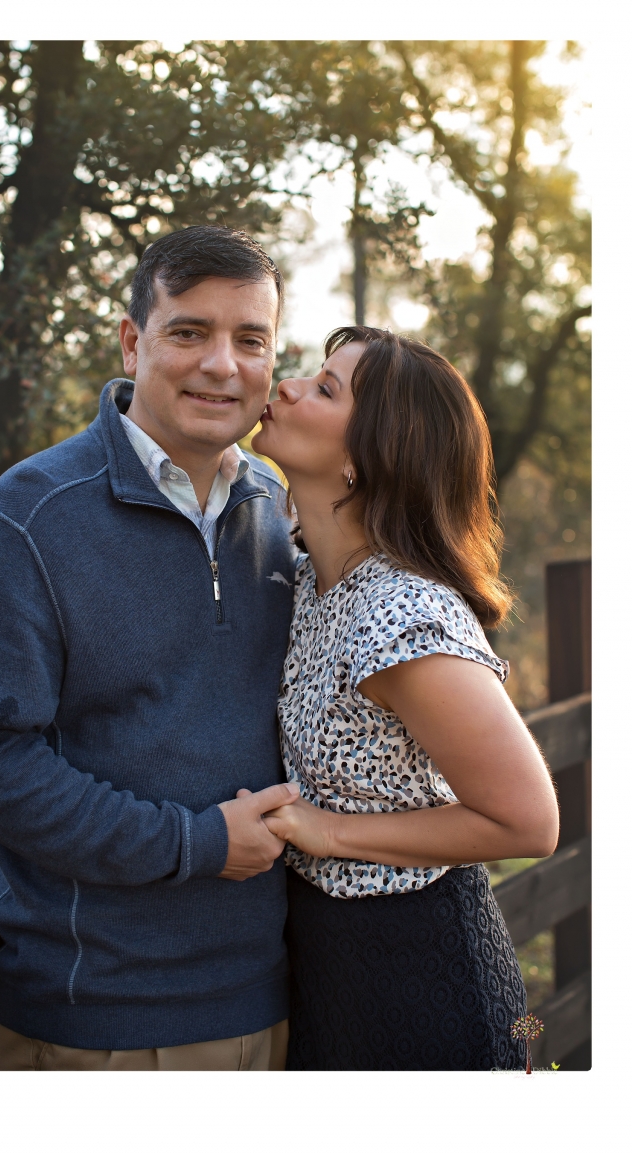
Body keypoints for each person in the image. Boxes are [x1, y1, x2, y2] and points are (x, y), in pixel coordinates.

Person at [0, 225, 301, 1071]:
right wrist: (195, 842)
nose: (222, 364)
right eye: (189, 331)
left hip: (272, 997)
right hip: (99, 1019)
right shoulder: (28, 518)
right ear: (134, 342)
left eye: (250, 340)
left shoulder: (280, 508)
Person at [251, 325, 560, 1071]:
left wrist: (329, 831)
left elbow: (529, 820)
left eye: (325, 388)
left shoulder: (400, 616)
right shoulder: (307, 582)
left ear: (367, 458)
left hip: (418, 978)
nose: (286, 386)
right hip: (329, 971)